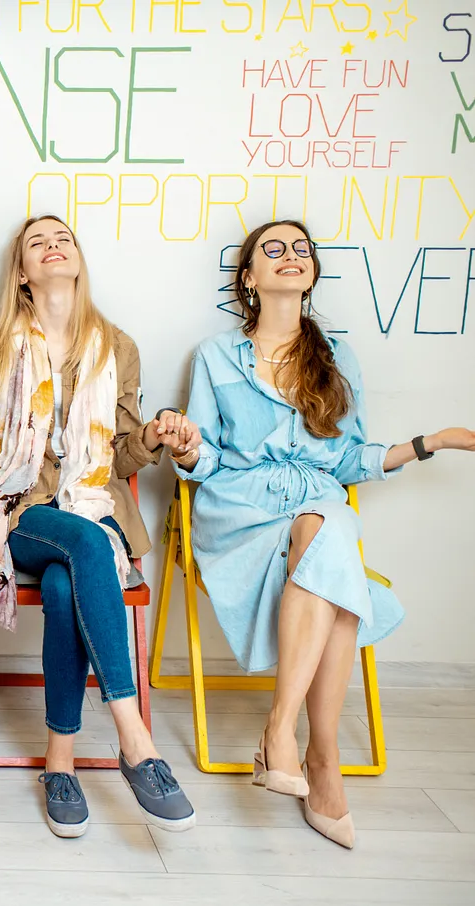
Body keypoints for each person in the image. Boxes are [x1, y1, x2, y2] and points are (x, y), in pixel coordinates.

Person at [176, 219, 475, 848]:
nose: (291, 256)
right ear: (249, 278)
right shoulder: (214, 356)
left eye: (301, 250)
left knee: (325, 525)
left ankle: (287, 736)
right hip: (241, 514)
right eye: (273, 250)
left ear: (311, 274)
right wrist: (183, 446)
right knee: (331, 542)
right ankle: (317, 753)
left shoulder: (336, 357)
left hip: (315, 510)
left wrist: (431, 443)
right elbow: (205, 463)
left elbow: (349, 461)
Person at [0, 215, 198, 838]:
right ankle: (134, 736)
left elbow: (116, 457)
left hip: (91, 506)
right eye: (38, 242)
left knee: (69, 583)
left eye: (63, 238)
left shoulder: (117, 347)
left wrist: (148, 438)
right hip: (19, 510)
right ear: (22, 274)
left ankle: (59, 761)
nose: (53, 246)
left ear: (79, 262)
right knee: (85, 542)